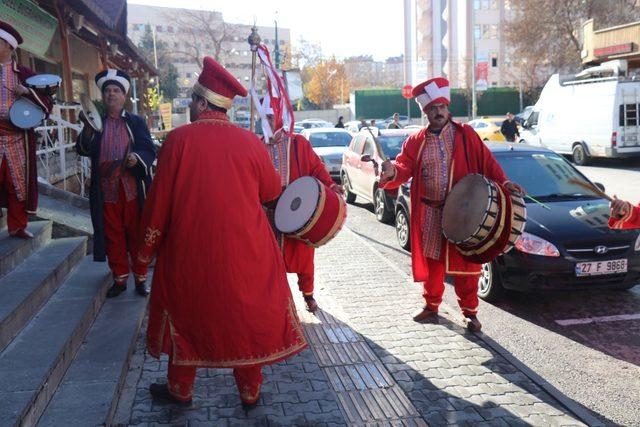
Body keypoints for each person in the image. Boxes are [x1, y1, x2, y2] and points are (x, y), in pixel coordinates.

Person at [137, 57, 307, 407]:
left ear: (202, 102)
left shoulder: (177, 140)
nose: (190, 105)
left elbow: (158, 206)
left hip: (189, 254)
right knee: (243, 321)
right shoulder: (250, 142)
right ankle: (250, 391)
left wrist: (142, 256)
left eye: (193, 99)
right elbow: (272, 191)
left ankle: (180, 390)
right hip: (246, 253)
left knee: (185, 318)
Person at [379, 77, 524, 332]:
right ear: (425, 113)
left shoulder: (466, 135)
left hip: (464, 214)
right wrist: (391, 170)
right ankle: (431, 305)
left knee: (466, 268)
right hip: (430, 213)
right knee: (433, 264)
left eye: (441, 107)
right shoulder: (415, 141)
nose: (437, 112)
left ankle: (470, 313)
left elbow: (487, 163)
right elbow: (403, 167)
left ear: (448, 108)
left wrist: (505, 182)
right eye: (431, 109)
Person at [76, 69, 156, 298]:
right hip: (105, 189)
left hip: (131, 188)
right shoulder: (95, 122)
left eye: (116, 91)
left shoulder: (136, 122)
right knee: (113, 235)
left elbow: (148, 149)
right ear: (103, 96)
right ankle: (120, 278)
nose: (111, 94)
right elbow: (82, 149)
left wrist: (137, 157)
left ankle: (141, 277)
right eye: (107, 91)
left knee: (137, 233)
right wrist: (88, 130)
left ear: (124, 96)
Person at [263, 107, 343, 313]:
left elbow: (316, 168)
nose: (268, 121)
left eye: (271, 117)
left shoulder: (298, 143)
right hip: (266, 214)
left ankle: (308, 295)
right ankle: (276, 301)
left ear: (280, 117)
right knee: (268, 260)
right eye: (264, 118)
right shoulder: (256, 145)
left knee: (304, 259)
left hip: (297, 212)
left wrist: (332, 186)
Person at [0, 21, 53, 238]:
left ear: (9, 47)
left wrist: (28, 93)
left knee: (17, 184)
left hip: (16, 137)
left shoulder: (25, 74)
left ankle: (18, 226)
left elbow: (48, 103)